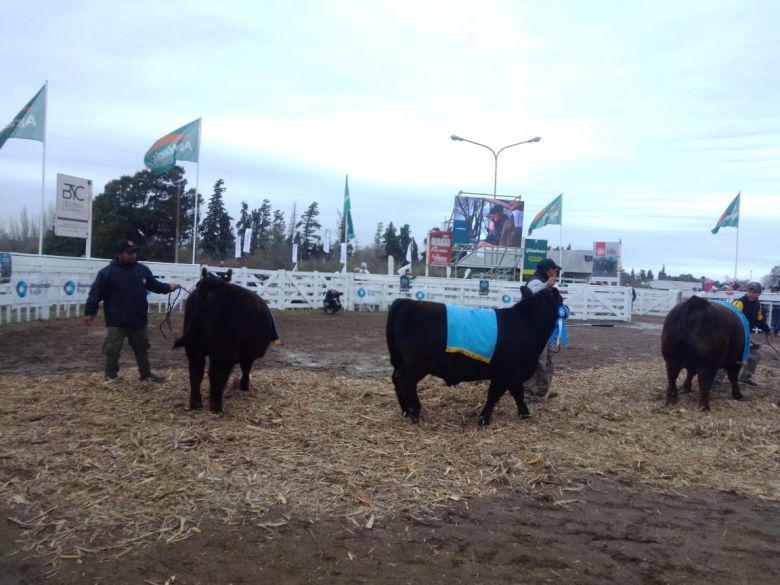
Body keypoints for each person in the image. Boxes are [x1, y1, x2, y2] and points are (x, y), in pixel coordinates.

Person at [85, 239, 180, 384]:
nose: (134, 255)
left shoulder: (142, 270)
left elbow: (154, 285)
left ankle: (146, 374)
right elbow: (95, 293)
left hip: (138, 319)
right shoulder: (107, 273)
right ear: (119, 254)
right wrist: (90, 312)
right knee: (112, 350)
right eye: (129, 253)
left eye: (135, 252)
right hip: (116, 320)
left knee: (142, 348)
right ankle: (110, 376)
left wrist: (168, 287)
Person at [524, 258, 562, 400]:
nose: (556, 272)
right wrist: (546, 284)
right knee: (537, 359)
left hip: (543, 328)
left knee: (548, 358)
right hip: (533, 329)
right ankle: (528, 392)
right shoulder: (536, 281)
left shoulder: (545, 284)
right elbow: (531, 292)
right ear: (548, 270)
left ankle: (542, 389)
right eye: (554, 269)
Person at [730, 281, 776, 387]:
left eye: (755, 292)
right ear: (747, 291)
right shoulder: (739, 303)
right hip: (733, 336)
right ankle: (717, 379)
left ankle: (744, 378)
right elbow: (732, 319)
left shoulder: (757, 306)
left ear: (759, 293)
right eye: (750, 291)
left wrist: (768, 330)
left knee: (755, 356)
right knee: (730, 357)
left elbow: (759, 321)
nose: (752, 293)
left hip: (745, 337)